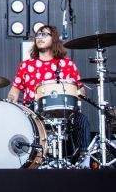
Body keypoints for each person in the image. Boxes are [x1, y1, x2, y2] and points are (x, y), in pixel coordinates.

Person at [7, 25, 90, 159]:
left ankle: (84, 161)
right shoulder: (26, 65)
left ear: (54, 39)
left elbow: (81, 92)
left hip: (63, 114)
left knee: (82, 120)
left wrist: (71, 95)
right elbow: (14, 91)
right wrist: (11, 103)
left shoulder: (66, 64)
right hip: (33, 114)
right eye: (38, 35)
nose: (39, 38)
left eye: (44, 34)